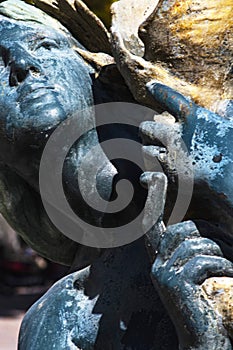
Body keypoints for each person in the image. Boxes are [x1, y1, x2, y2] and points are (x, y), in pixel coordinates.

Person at [0, 1, 233, 349]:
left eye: (44, 45)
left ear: (90, 67)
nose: (22, 64)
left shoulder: (214, 141)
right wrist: (203, 339)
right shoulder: (59, 318)